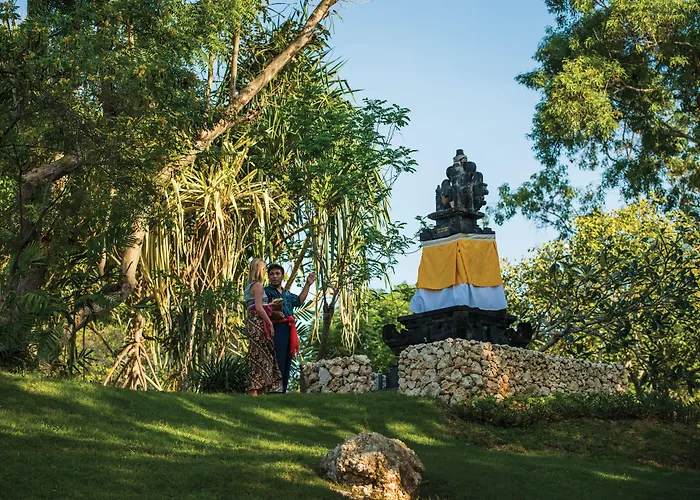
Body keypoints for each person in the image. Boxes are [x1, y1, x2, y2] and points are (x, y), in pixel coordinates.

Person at [265, 263, 316, 392]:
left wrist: (308, 284)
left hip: (289, 327)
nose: (275, 276)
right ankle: (274, 389)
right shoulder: (266, 292)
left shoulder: (286, 293)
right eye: (272, 274)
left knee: (288, 358)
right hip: (275, 327)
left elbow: (299, 301)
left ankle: (283, 389)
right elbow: (263, 308)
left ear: (282, 276)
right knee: (278, 357)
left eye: (277, 274)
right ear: (268, 277)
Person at [244, 258, 283, 396]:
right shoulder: (258, 286)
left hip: (251, 321)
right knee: (263, 355)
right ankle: (255, 389)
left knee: (257, 354)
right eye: (264, 269)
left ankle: (258, 389)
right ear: (260, 270)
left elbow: (252, 305)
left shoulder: (249, 286)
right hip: (259, 322)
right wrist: (270, 324)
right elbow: (259, 308)